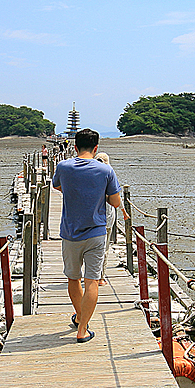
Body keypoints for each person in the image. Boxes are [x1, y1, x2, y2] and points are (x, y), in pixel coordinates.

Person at [51, 129, 128, 343]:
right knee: (92, 281)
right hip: (96, 232)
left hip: (70, 232)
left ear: (75, 147)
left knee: (73, 278)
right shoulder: (105, 170)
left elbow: (57, 185)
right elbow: (115, 202)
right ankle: (82, 328)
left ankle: (80, 316)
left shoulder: (63, 167)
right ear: (96, 148)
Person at [94, 152, 116, 286]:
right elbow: (116, 200)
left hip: (91, 218)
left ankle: (91, 275)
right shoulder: (109, 174)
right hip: (107, 218)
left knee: (91, 248)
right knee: (104, 248)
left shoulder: (88, 175)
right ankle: (101, 277)